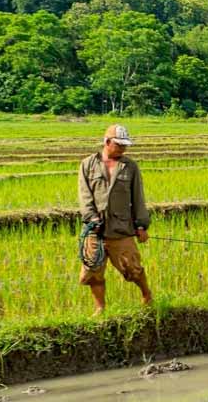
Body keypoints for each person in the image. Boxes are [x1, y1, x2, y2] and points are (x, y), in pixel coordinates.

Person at [78, 124, 152, 315]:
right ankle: (100, 307)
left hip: (121, 228)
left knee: (132, 268)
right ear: (107, 142)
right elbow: (84, 196)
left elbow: (138, 198)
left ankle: (147, 295)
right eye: (119, 145)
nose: (122, 149)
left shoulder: (130, 167)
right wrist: (92, 218)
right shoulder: (88, 164)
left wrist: (141, 225)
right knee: (93, 271)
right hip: (95, 230)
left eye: (124, 146)